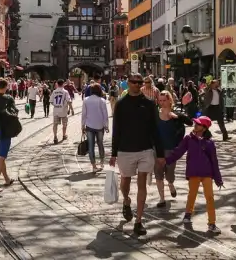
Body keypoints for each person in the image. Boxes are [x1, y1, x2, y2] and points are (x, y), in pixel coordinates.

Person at [109, 73, 164, 237]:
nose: (137, 85)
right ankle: (126, 201)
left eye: (140, 82)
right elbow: (116, 130)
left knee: (142, 184)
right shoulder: (120, 104)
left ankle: (139, 221)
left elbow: (155, 129)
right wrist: (113, 153)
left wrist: (160, 153)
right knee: (125, 181)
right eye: (134, 82)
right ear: (128, 83)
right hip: (125, 150)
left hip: (145, 150)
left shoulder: (149, 104)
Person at [165, 116, 223, 233]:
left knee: (210, 197)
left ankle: (212, 223)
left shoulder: (209, 143)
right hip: (193, 172)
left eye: (198, 124)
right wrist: (166, 161)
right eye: (195, 123)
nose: (195, 125)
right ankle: (188, 214)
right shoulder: (188, 139)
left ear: (205, 128)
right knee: (192, 194)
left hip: (207, 173)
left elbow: (214, 161)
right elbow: (179, 151)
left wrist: (218, 178)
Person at [155, 90, 193, 207]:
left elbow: (190, 122)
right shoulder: (155, 115)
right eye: (160, 101)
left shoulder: (176, 114)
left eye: (164, 100)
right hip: (157, 150)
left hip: (172, 149)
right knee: (158, 174)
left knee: (169, 174)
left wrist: (176, 117)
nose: (162, 103)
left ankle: (170, 184)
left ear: (169, 100)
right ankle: (162, 199)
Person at [81, 84, 109, 171]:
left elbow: (84, 114)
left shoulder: (86, 100)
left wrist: (82, 125)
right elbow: (105, 115)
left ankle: (93, 166)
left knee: (91, 146)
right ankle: (101, 162)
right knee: (100, 144)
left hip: (89, 125)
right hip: (100, 126)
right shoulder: (102, 100)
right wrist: (106, 125)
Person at [51, 79, 71, 144]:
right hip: (63, 110)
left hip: (56, 110)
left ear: (57, 84)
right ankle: (64, 135)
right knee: (64, 124)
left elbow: (51, 101)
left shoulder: (54, 91)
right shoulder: (65, 92)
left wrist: (56, 105)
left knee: (55, 124)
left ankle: (55, 137)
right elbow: (69, 101)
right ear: (63, 84)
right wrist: (71, 109)